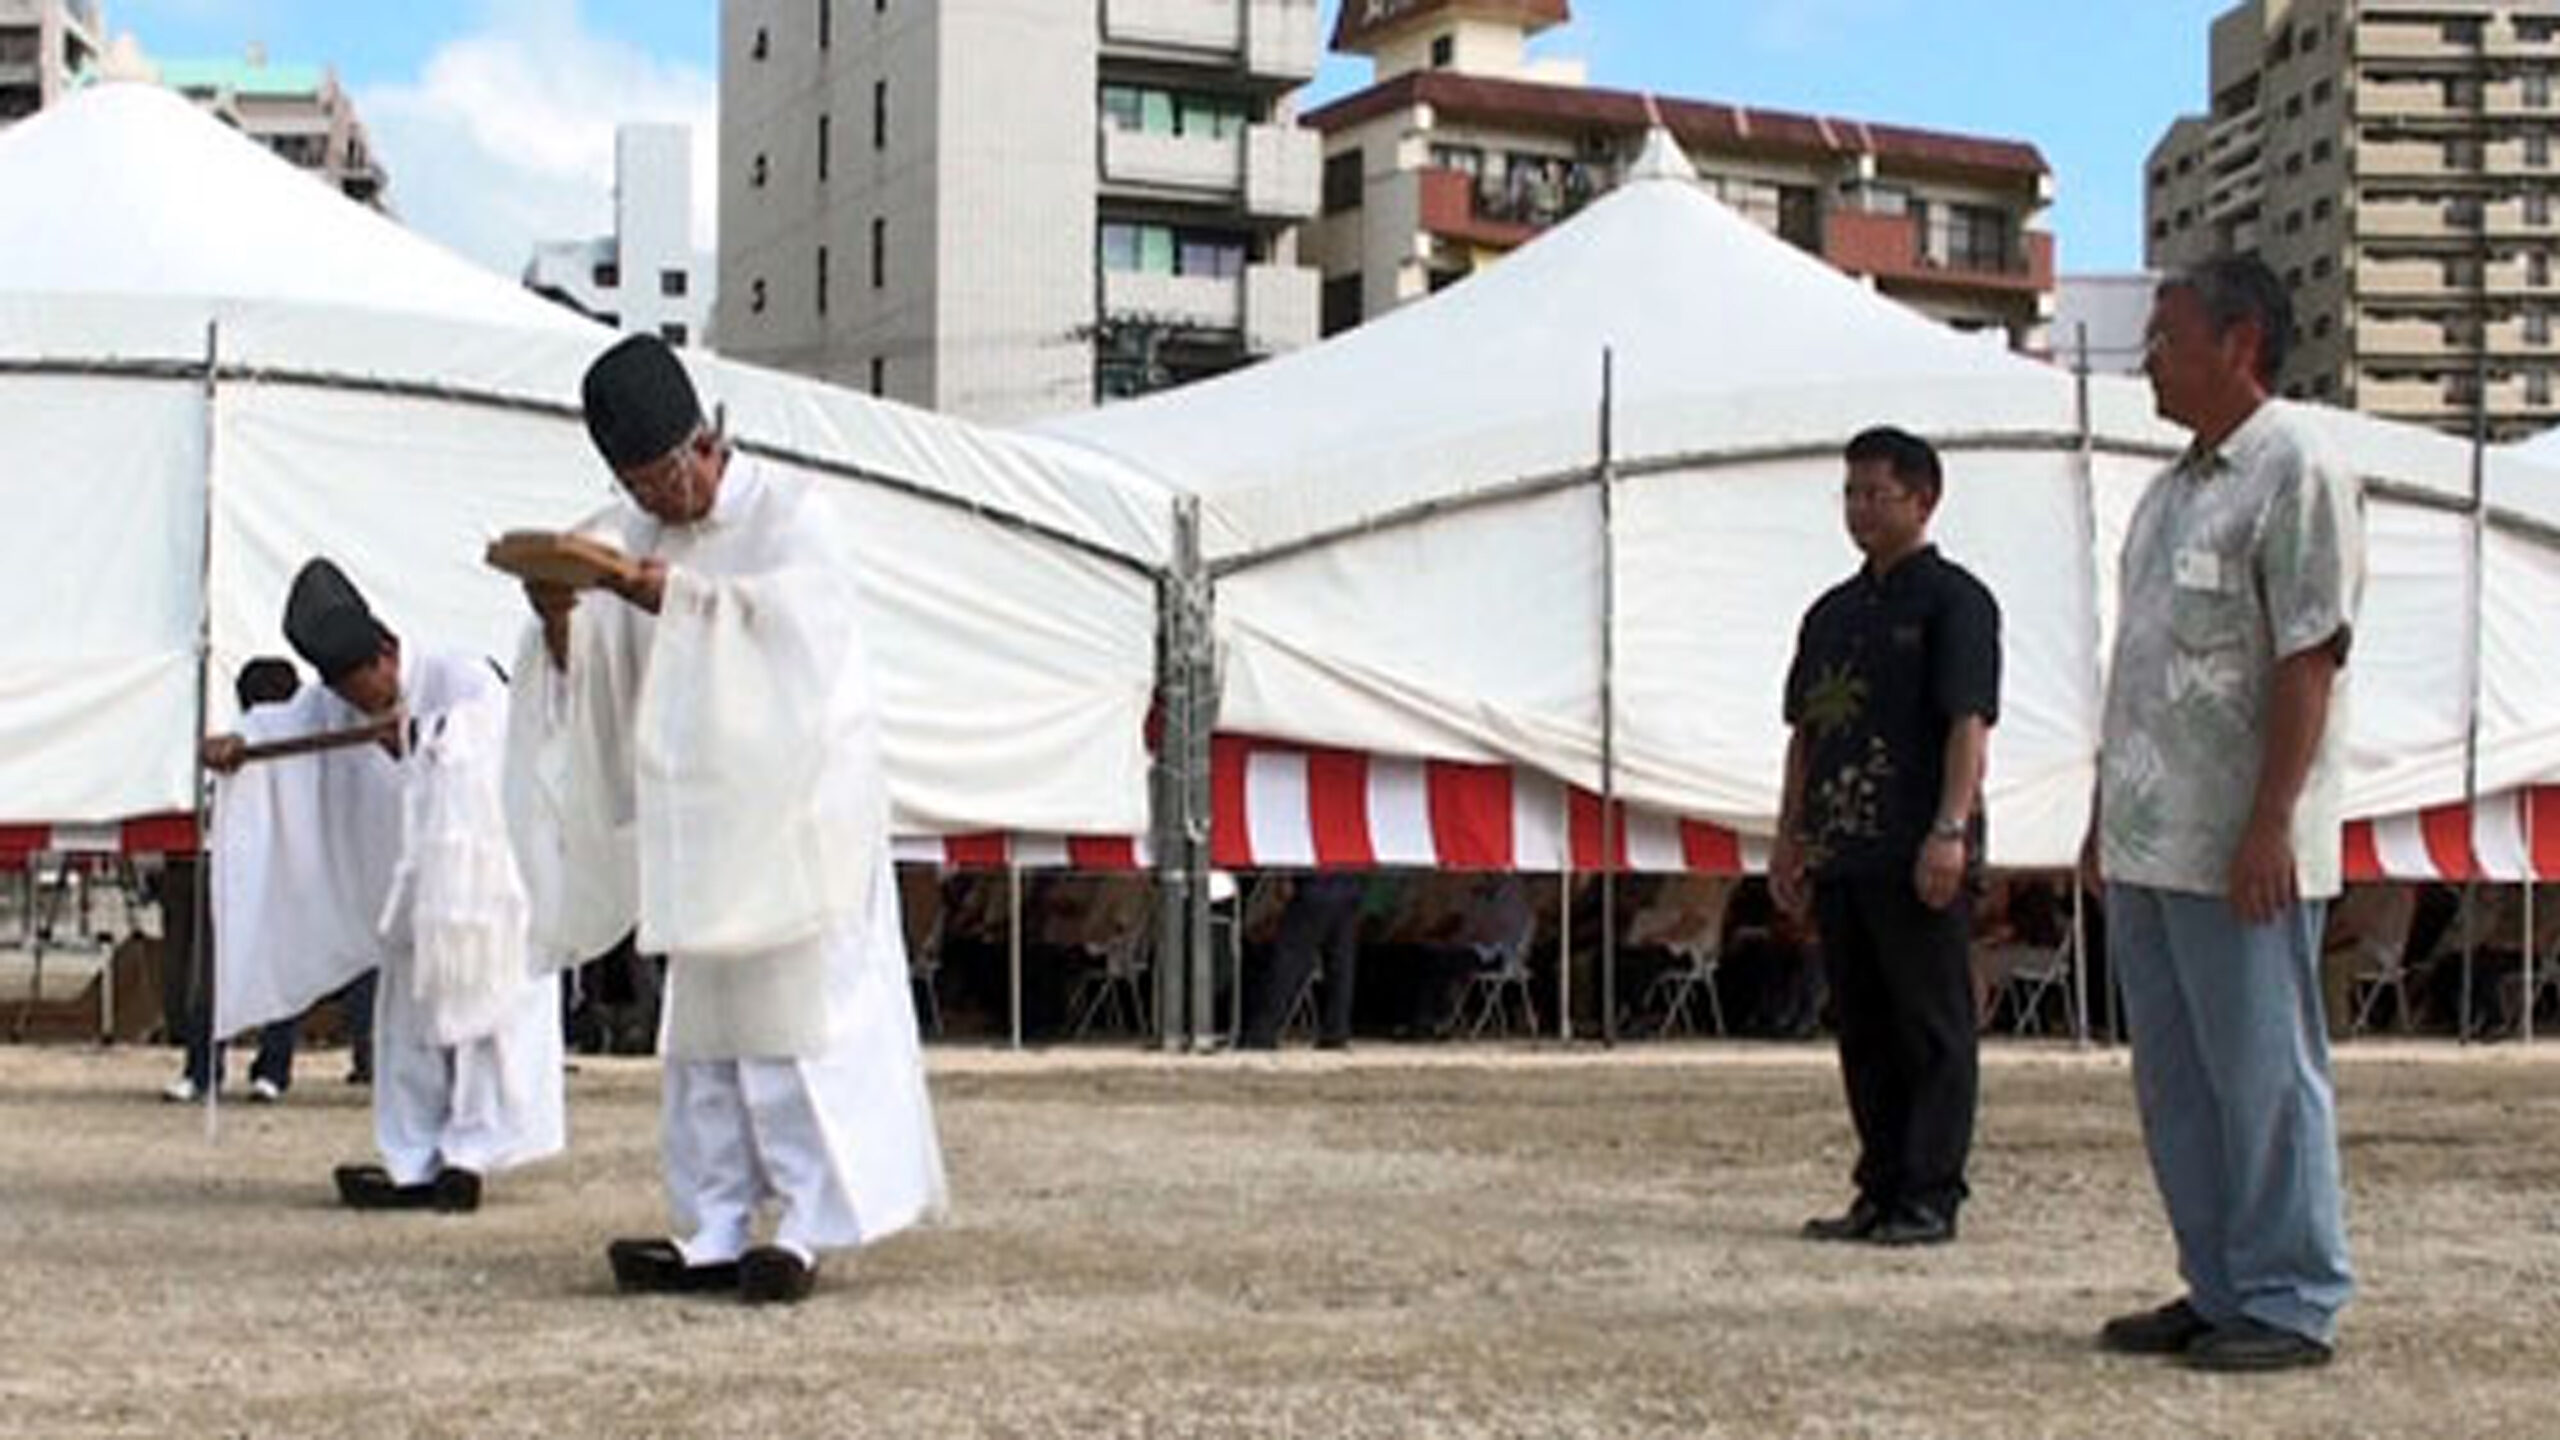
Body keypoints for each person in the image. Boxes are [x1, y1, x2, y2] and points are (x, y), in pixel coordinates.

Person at [509, 333, 945, 1305]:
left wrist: (672, 595)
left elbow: (806, 642)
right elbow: (602, 673)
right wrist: (559, 613)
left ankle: (801, 1223)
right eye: (639, 487)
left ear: (707, 445)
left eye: (666, 479)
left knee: (789, 1030)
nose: (659, 505)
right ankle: (707, 1223)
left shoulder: (796, 518)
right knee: (700, 1040)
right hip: (696, 823)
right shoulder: (633, 532)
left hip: (792, 820)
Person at [2090, 255, 2360, 1373]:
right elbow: (2142, 664)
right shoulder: (2169, 491)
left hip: (2240, 844)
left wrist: (2271, 822)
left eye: (2165, 336)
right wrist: (2105, 814)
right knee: (2177, 1080)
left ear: (2237, 341)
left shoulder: (2295, 466)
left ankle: (2293, 1294)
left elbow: (2310, 654)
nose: (2147, 358)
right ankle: (2218, 1281)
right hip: (2150, 840)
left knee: (2263, 1073)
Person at [204, 560, 565, 1213]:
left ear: (389, 651)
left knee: (487, 1022)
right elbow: (291, 725)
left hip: (486, 895)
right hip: (412, 900)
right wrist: (241, 742)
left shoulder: (460, 676)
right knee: (411, 1031)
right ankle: (414, 1158)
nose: (357, 699)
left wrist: (422, 738)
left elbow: (492, 739)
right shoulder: (339, 702)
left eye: (364, 683)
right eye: (342, 688)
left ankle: (471, 1155)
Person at [1773, 425, 2000, 1249]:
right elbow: (1804, 733)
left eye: (1879, 493)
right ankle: (1880, 1182)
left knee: (1930, 1021)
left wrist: (1950, 829)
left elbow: (1966, 722)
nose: (1862, 509)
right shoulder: (1830, 613)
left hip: (1917, 842)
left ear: (1923, 499)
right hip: (1842, 844)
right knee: (1863, 1022)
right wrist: (1789, 834)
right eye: (1852, 493)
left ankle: (1932, 1191)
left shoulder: (1955, 602)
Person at [162, 658, 306, 1105]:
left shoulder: (302, 750)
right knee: (218, 975)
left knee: (270, 974)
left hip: (281, 870)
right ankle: (219, 1069)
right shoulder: (233, 747)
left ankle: (252, 1070)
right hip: (236, 871)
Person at [1238, 872, 1365, 1050]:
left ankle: (1262, 1033)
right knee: (1340, 964)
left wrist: (1284, 876)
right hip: (1349, 884)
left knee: (1289, 959)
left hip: (1314, 884)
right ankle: (1336, 1032)